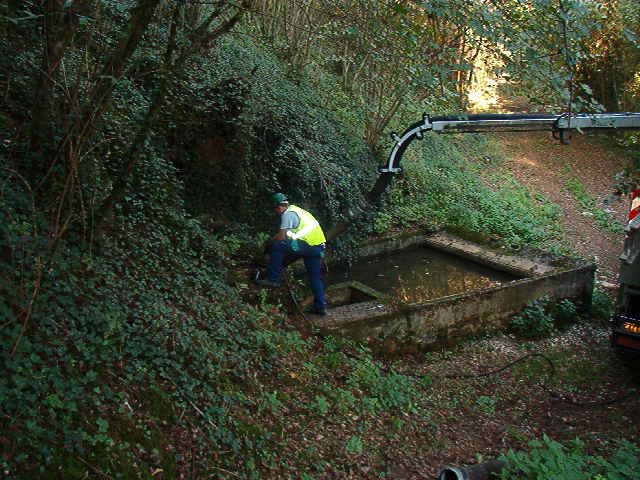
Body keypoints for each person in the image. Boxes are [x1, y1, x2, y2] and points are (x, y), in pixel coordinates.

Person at [256, 193, 328, 316]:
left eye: (275, 209)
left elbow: (281, 237)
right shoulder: (297, 210)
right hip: (318, 247)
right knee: (315, 278)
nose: (276, 212)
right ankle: (321, 308)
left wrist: (268, 243)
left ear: (279, 207)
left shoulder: (287, 214)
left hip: (308, 245)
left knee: (277, 246)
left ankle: (273, 279)